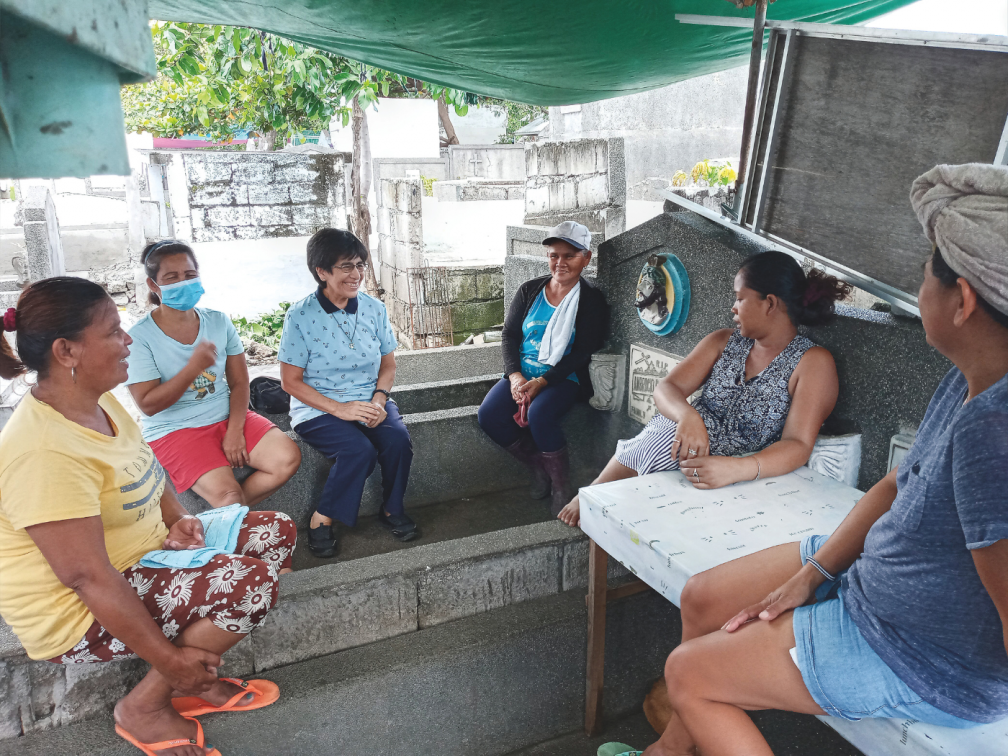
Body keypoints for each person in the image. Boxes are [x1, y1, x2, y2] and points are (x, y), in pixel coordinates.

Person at [635, 163, 1008, 756]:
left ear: (961, 299)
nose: (919, 292)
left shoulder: (997, 431)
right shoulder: (967, 380)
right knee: (701, 597)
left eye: (924, 277)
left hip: (915, 652)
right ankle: (676, 749)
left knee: (688, 675)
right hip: (872, 578)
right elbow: (893, 486)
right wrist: (815, 575)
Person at [0, 277, 297, 756]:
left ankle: (184, 682)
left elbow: (145, 470)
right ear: (66, 352)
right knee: (250, 582)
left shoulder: (98, 399)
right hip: (76, 610)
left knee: (273, 531)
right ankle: (148, 702)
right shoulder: (41, 451)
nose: (129, 341)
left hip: (142, 556)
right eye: (114, 332)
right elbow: (86, 577)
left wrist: (178, 518)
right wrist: (172, 661)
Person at [558, 250, 849, 527]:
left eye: (740, 298)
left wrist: (738, 468)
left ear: (770, 303)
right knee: (663, 432)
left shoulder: (812, 363)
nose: (733, 308)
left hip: (742, 469)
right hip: (683, 450)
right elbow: (667, 387)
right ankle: (596, 491)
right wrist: (688, 417)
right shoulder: (723, 341)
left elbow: (798, 444)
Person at [127, 240, 301, 509]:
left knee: (287, 458)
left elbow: (240, 381)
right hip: (175, 429)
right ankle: (229, 519)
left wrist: (234, 431)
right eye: (171, 278)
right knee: (227, 497)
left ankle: (224, 519)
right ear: (153, 285)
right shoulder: (139, 337)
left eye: (190, 275)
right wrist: (193, 367)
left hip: (224, 416)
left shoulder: (218, 321)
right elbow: (148, 405)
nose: (183, 283)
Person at [279, 228, 415, 558]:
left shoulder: (374, 309)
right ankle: (321, 519)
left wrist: (379, 400)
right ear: (321, 271)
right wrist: (340, 410)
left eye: (360, 265)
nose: (356, 275)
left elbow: (388, 365)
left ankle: (391, 509)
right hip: (318, 408)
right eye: (346, 267)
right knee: (358, 451)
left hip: (370, 400)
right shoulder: (300, 316)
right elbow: (290, 382)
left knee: (398, 440)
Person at [478, 221, 609, 515]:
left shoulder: (591, 301)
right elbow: (510, 335)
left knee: (540, 414)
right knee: (488, 415)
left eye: (569, 255)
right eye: (554, 255)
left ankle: (562, 485)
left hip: (564, 377)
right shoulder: (530, 291)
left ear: (586, 258)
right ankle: (538, 465)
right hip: (522, 373)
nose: (560, 262)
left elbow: (584, 351)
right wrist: (515, 377)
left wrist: (543, 382)